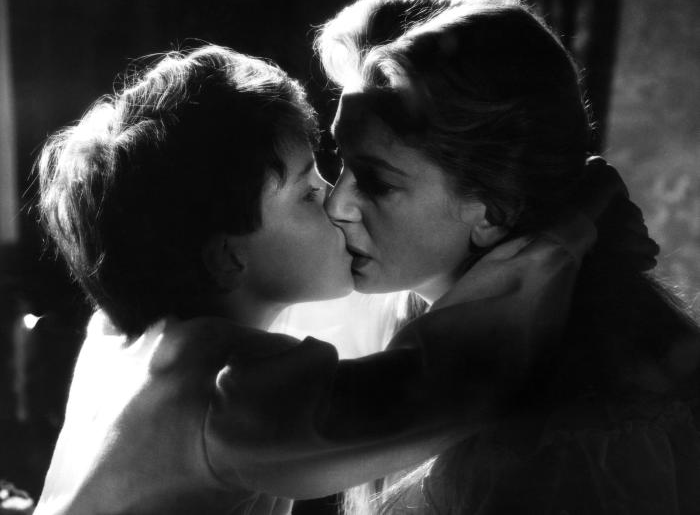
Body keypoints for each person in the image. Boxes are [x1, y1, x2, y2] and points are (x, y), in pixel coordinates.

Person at [33, 45, 601, 515]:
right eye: (308, 192)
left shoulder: (115, 334)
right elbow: (450, 389)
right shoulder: (228, 392)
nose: (336, 202)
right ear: (226, 258)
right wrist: (562, 236)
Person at [316, 0, 700, 515]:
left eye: (376, 181)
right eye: (340, 160)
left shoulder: (568, 438)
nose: (336, 204)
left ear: (493, 212)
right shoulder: (399, 327)